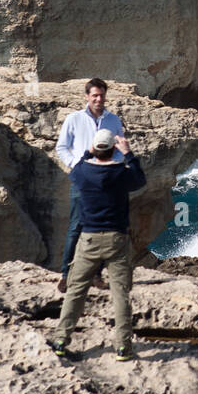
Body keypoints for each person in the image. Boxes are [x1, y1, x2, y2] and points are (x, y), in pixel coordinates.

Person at [49, 130, 146, 361]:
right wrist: (128, 153)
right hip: (116, 239)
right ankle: (123, 347)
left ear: (95, 149)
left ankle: (61, 339)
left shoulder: (83, 172)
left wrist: (89, 151)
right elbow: (140, 179)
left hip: (89, 239)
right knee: (120, 293)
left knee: (76, 290)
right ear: (113, 149)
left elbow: (78, 166)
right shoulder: (121, 174)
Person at [55, 78, 125, 292]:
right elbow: (62, 147)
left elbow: (120, 148)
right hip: (84, 180)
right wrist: (77, 166)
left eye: (102, 95)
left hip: (107, 180)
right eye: (94, 95)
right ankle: (67, 275)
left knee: (104, 229)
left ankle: (96, 275)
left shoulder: (114, 120)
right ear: (87, 96)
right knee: (76, 227)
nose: (98, 99)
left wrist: (116, 167)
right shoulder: (74, 119)